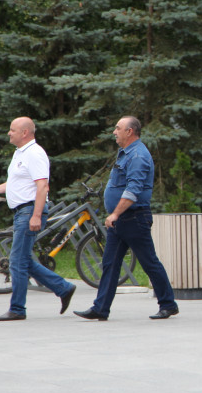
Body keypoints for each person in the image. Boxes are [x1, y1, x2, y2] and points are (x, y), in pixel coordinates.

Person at [75, 116, 179, 321]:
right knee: (110, 263)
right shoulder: (125, 153)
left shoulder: (138, 155)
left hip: (133, 218)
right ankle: (100, 308)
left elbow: (133, 189)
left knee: (149, 262)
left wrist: (115, 213)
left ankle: (168, 304)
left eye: (118, 128)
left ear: (130, 131)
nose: (114, 132)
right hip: (121, 220)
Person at [0, 117, 76, 321]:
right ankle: (64, 288)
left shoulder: (35, 153)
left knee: (16, 260)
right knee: (23, 260)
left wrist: (35, 215)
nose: (9, 133)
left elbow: (42, 186)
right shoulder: (20, 153)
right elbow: (17, 181)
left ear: (25, 132)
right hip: (22, 212)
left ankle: (17, 309)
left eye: (12, 130)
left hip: (29, 212)